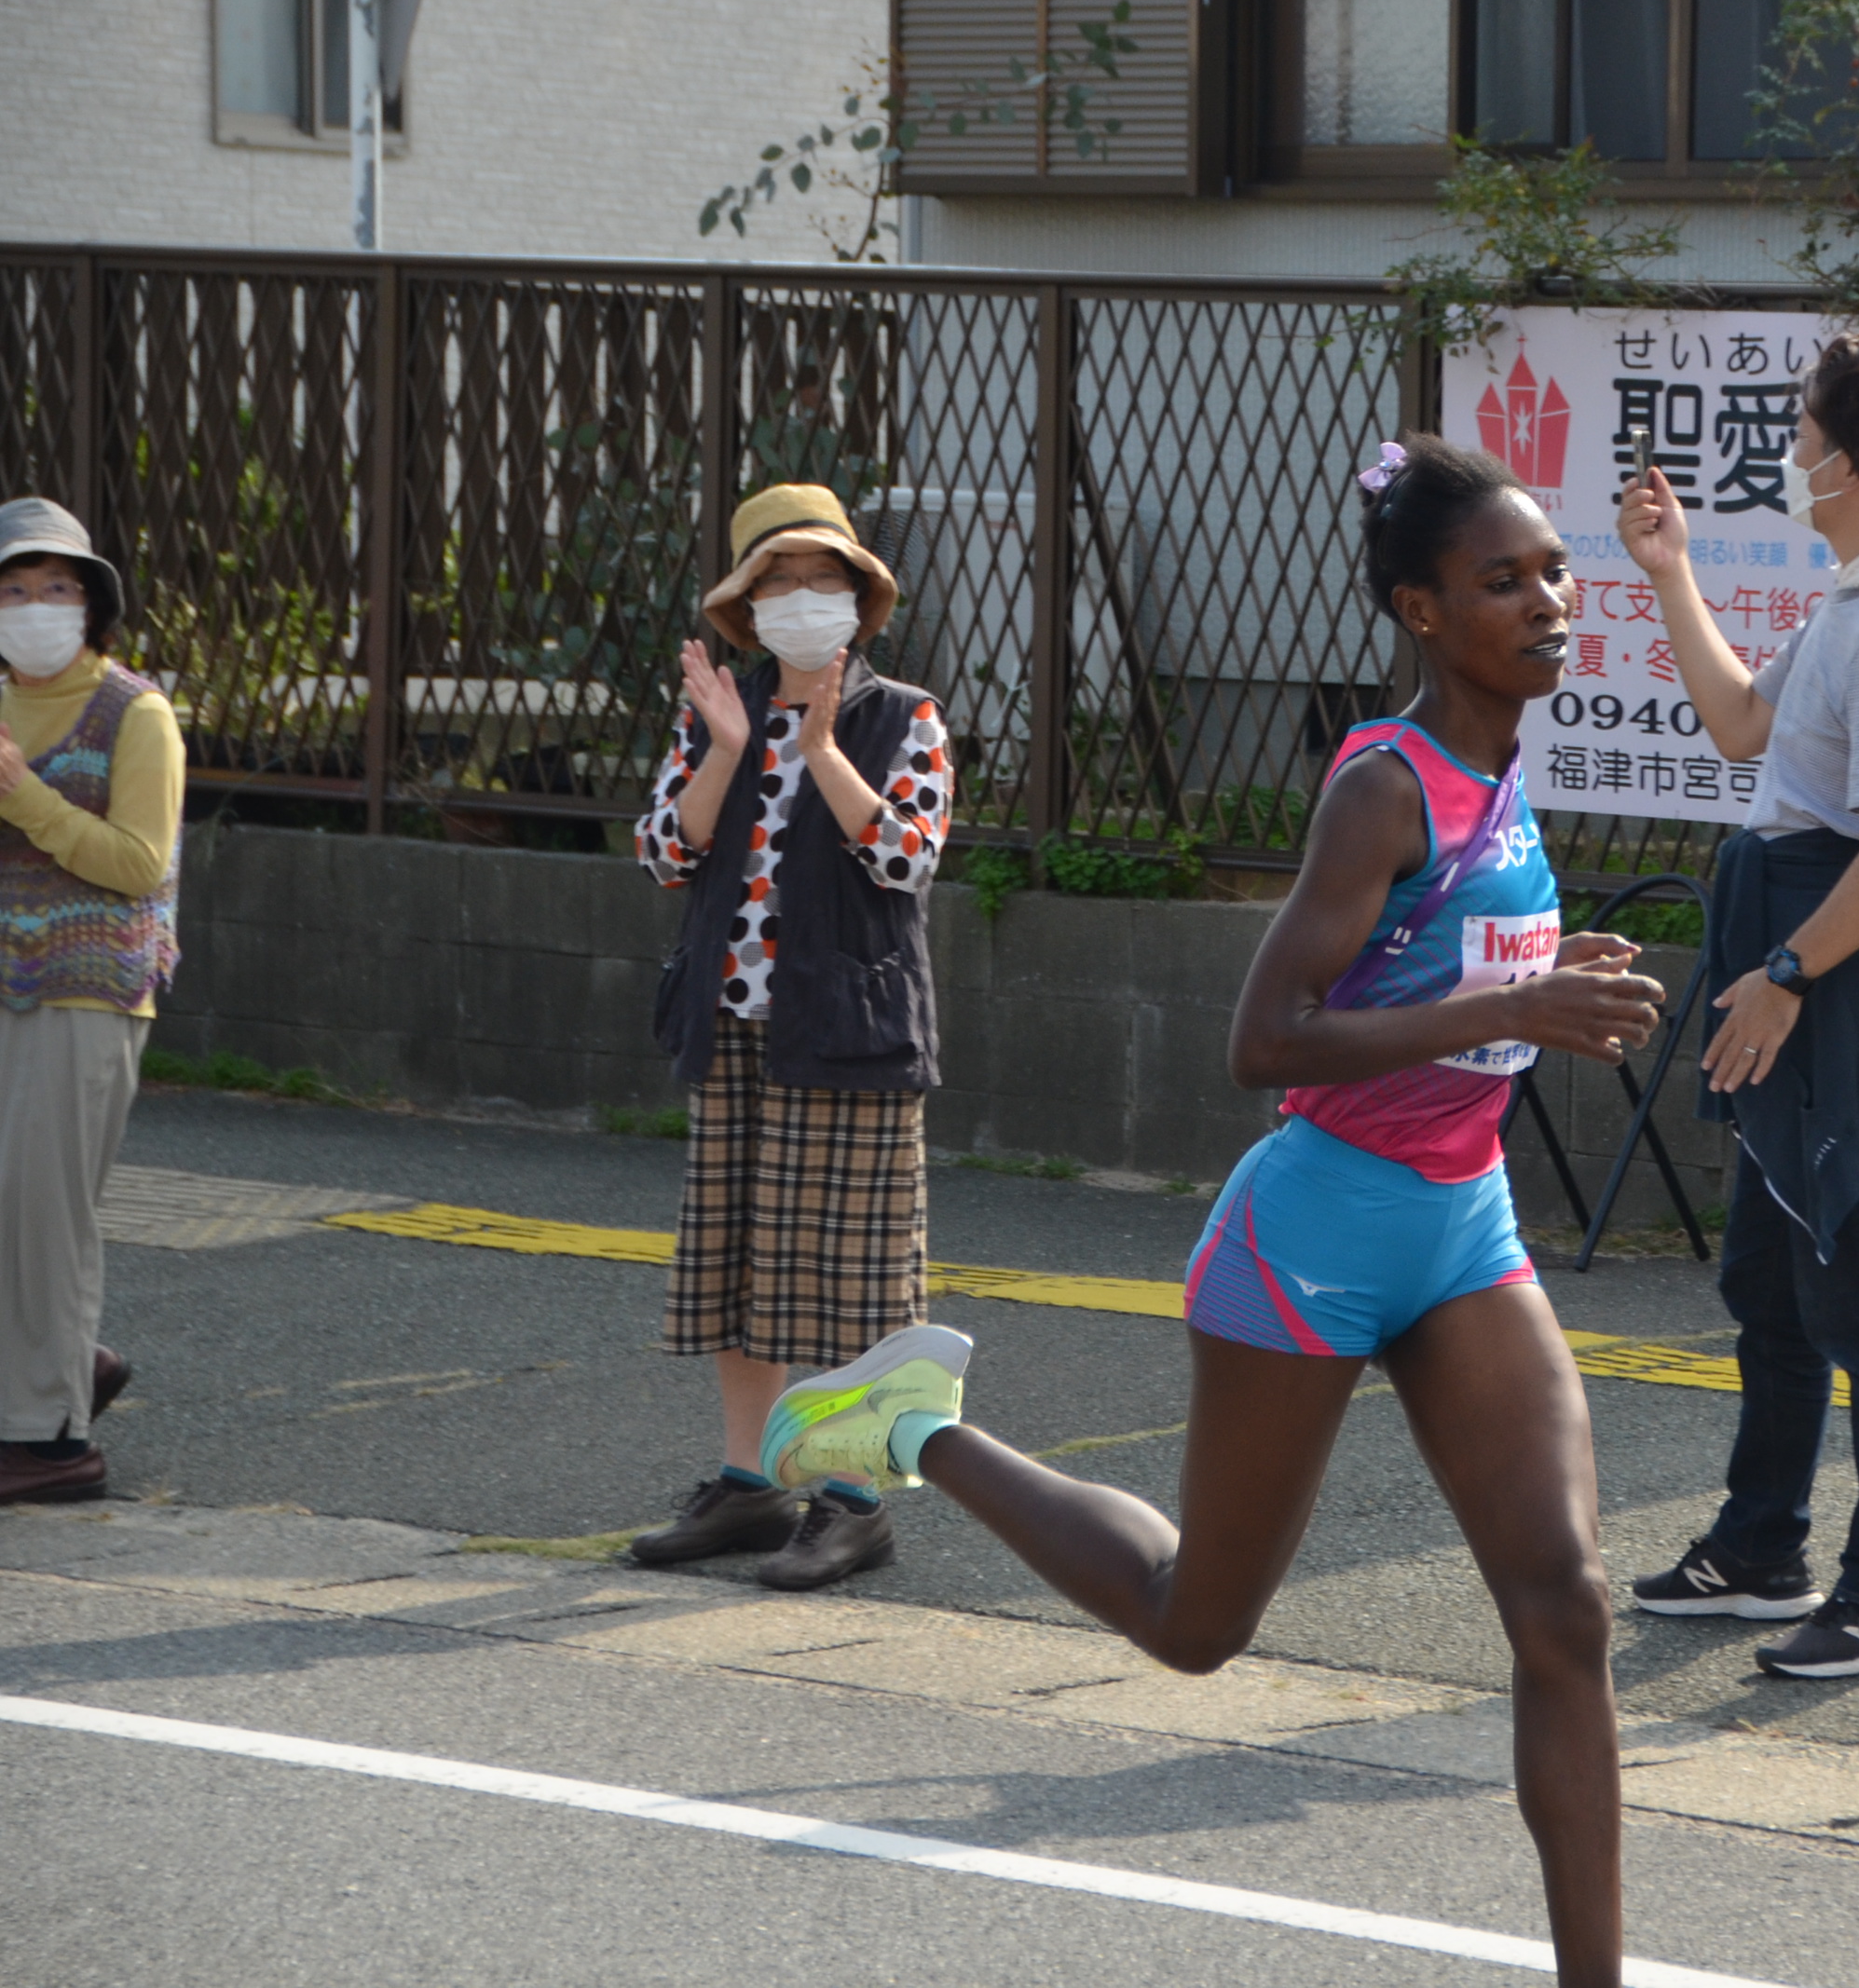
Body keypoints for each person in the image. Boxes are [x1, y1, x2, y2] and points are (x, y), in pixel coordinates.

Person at [756, 437, 1663, 1987]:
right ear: (1422, 611)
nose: (1552, 600)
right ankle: (918, 1425)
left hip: (1463, 1228)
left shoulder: (1508, 771)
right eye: (1504, 579)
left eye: (1556, 572)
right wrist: (1501, 1004)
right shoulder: (1384, 787)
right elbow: (1268, 1042)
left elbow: (1464, 1012)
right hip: (1309, 1234)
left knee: (1565, 1602)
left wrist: (1513, 1007)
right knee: (1196, 1624)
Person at [1616, 328, 1859, 1679]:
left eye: (1807, 433)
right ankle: (1762, 1547)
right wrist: (1674, 575)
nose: (1793, 455)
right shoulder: (1853, 601)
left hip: (1842, 987)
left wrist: (1780, 978)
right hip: (1806, 970)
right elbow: (1738, 727)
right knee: (1772, 1281)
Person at [622, 483, 954, 1592]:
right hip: (732, 1021)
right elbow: (667, 853)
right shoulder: (717, 705)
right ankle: (748, 1481)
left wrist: (819, 749)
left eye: (823, 580)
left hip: (851, 1026)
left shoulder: (903, 714)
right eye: (777, 582)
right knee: (739, 1261)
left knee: (856, 1276)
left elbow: (908, 856)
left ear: (861, 600)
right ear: (743, 606)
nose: (802, 600)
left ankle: (854, 1500)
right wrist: (728, 745)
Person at [0, 497, 178, 1507]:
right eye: (14, 591)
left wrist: (25, 795)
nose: (34, 607)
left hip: (86, 987)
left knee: (43, 1216)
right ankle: (74, 1369)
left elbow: (139, 865)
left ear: (93, 604)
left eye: (56, 588)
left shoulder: (133, 711)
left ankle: (52, 1439)